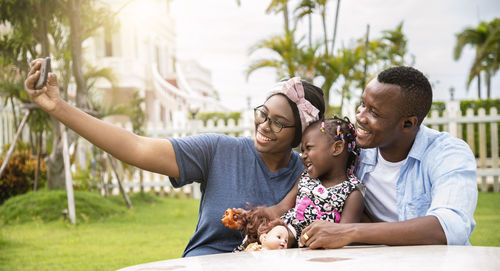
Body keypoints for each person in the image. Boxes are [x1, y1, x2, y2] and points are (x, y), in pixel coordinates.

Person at [24, 59, 325, 257]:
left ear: (299, 135)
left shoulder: (312, 178)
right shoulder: (218, 150)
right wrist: (58, 107)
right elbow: (136, 147)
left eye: (278, 122)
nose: (264, 126)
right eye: (263, 113)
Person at [298, 66, 478, 249]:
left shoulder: (447, 154)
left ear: (408, 123)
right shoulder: (352, 152)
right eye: (362, 104)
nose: (360, 116)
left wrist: (349, 231)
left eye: (374, 112)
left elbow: (449, 227)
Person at [223, 116, 364, 250]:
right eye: (302, 150)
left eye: (309, 148)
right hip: (276, 237)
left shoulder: (352, 192)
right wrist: (249, 215)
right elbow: (281, 208)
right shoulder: (306, 177)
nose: (303, 156)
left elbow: (344, 235)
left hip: (308, 253)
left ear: (337, 148)